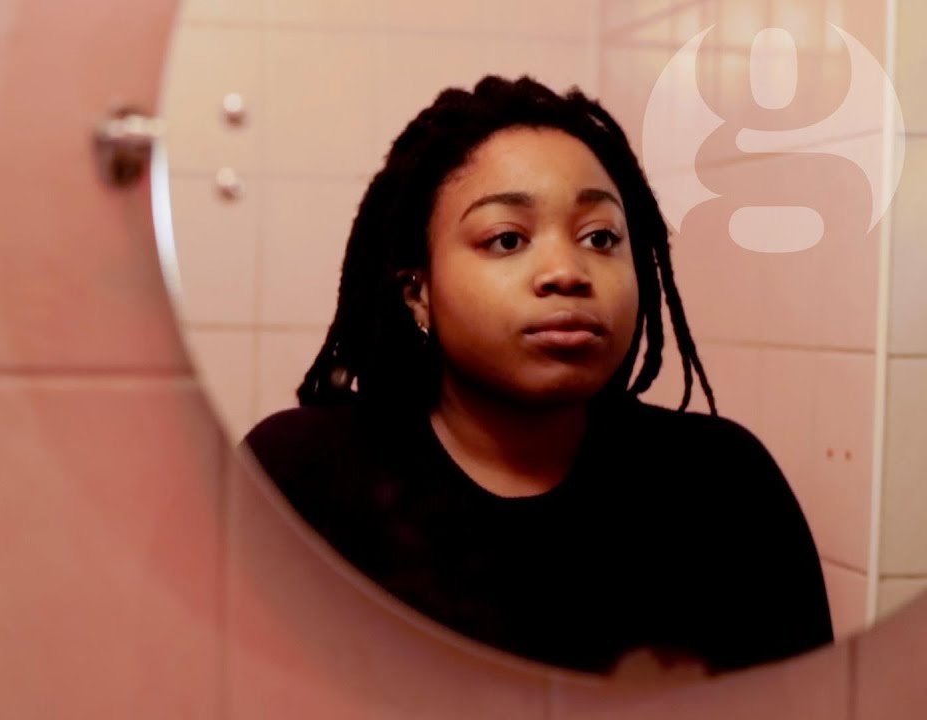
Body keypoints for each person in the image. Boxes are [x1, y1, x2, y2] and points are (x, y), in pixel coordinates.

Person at [240, 75, 833, 676]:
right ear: (419, 293)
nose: (566, 272)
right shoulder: (299, 479)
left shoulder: (724, 485)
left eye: (600, 237)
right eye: (507, 239)